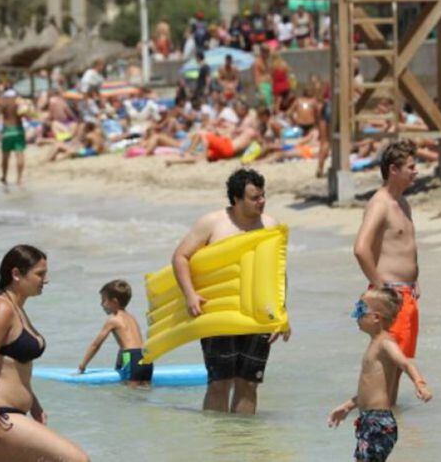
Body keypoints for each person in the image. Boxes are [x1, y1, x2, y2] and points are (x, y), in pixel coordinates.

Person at [171, 169, 287, 414]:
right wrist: (190, 294)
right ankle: (218, 437)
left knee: (249, 384)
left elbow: (278, 272)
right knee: (219, 383)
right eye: (254, 198)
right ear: (236, 199)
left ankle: (242, 437)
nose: (262, 202)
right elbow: (180, 256)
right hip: (219, 312)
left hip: (257, 314)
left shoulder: (270, 225)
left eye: (263, 196)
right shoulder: (213, 223)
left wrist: (281, 313)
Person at [0, 245, 89, 462]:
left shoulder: (17, 309)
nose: (46, 280)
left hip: (10, 415)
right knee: (78, 459)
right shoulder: (1, 308)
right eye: (40, 274)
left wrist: (34, 404)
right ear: (16, 274)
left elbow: (13, 368)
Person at [328, 288, 432, 462]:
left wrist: (419, 383)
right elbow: (369, 389)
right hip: (369, 420)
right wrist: (347, 406)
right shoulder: (374, 344)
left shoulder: (385, 343)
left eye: (361, 309)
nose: (356, 315)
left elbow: (405, 363)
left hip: (378, 422)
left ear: (376, 317)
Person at [353, 140, 420, 406]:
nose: (416, 171)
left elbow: (405, 246)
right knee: (387, 366)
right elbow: (361, 249)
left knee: (399, 365)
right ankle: (380, 418)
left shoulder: (402, 202)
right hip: (390, 294)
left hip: (407, 294)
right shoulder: (380, 203)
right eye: (411, 167)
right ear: (393, 169)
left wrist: (416, 279)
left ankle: (390, 417)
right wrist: (380, 287)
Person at [76, 279, 153, 388]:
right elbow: (128, 345)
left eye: (104, 300)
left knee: (131, 393)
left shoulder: (113, 320)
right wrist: (118, 365)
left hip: (131, 358)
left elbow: (96, 345)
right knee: (145, 391)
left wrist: (83, 365)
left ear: (114, 302)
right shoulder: (132, 318)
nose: (101, 304)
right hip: (146, 355)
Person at [0, 89, 27, 188]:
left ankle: (4, 177)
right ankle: (19, 179)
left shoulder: (3, 102)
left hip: (7, 131)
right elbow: (25, 114)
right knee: (20, 154)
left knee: (5, 156)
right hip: (18, 130)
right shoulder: (19, 102)